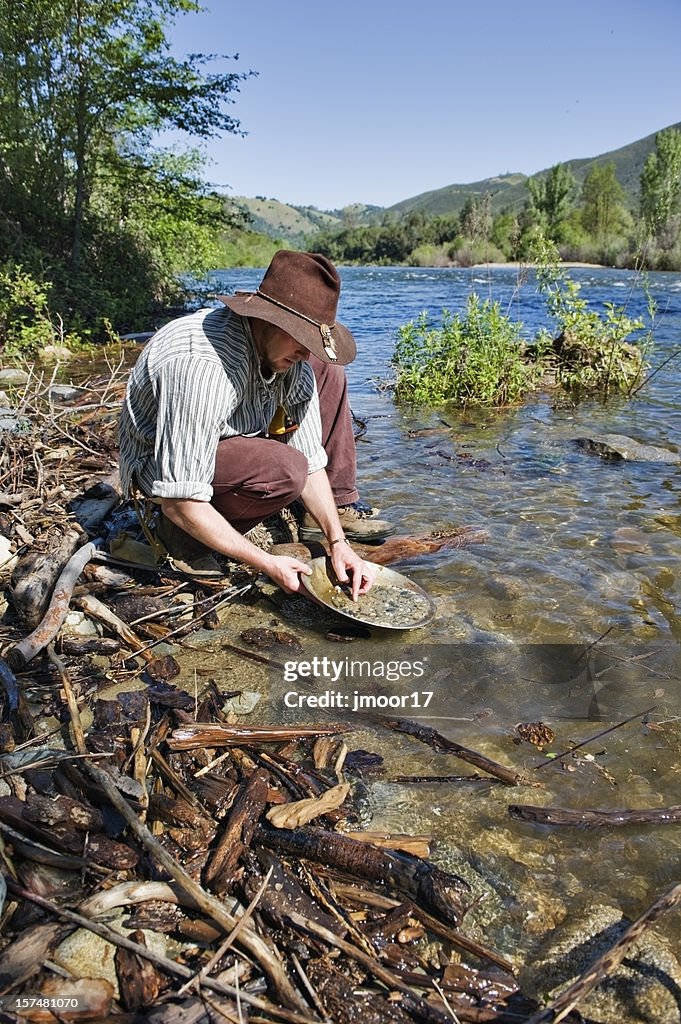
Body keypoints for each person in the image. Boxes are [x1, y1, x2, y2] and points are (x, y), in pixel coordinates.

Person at [118, 250, 395, 599]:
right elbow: (179, 500)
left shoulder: (289, 360)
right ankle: (181, 539)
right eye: (301, 339)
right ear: (266, 319)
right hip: (160, 469)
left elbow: (311, 461)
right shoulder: (203, 368)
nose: (305, 354)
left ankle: (297, 513)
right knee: (284, 470)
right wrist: (264, 562)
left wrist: (337, 541)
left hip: (226, 434)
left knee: (326, 375)